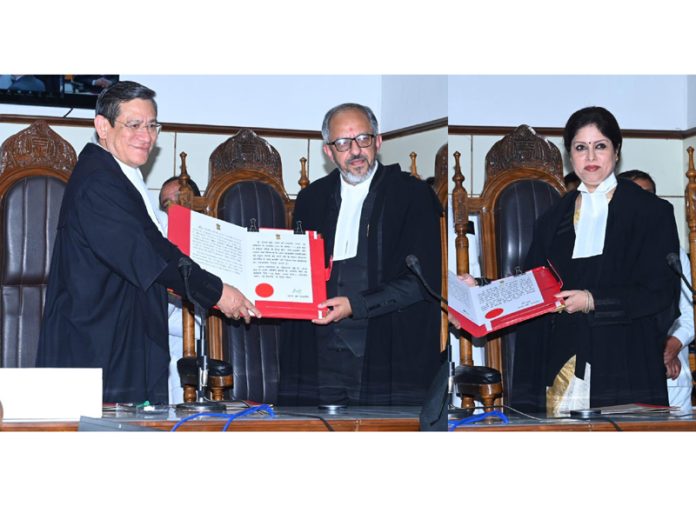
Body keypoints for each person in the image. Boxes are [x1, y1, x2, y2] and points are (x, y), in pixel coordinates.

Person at [36, 81, 259, 404]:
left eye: (152, 125)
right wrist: (218, 292)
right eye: (134, 125)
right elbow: (152, 256)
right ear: (102, 125)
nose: (147, 136)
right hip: (99, 346)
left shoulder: (117, 171)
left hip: (119, 335)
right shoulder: (99, 182)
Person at [510, 106, 681, 416]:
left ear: (616, 151)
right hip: (563, 356)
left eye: (599, 146)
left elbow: (660, 292)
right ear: (570, 155)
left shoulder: (651, 213)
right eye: (580, 147)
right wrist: (481, 291)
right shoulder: (552, 219)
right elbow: (532, 285)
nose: (590, 157)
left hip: (625, 359)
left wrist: (593, 301)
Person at [278, 103, 442, 406]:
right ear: (329, 151)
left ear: (378, 142)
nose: (355, 151)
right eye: (342, 143)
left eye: (363, 139)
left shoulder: (411, 196)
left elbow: (423, 281)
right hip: (318, 352)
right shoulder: (311, 199)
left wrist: (357, 305)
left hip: (385, 350)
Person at [618, 169, 694, 411]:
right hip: (624, 365)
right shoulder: (609, 252)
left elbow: (688, 315)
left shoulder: (673, 251)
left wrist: (670, 346)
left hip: (671, 368)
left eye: (650, 195)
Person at [156, 175, 204, 405]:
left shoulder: (211, 237)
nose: (176, 209)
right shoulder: (157, 244)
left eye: (183, 201)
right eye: (168, 204)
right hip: (171, 348)